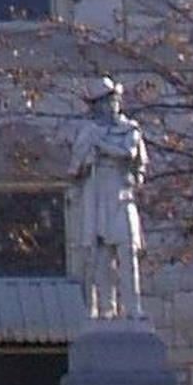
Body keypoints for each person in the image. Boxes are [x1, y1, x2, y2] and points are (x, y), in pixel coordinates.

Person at [69, 76, 148, 319]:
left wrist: (100, 146)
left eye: (112, 100)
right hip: (98, 193)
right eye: (102, 102)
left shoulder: (130, 129)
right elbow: (74, 169)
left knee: (127, 251)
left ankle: (133, 308)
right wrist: (85, 161)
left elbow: (129, 154)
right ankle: (106, 307)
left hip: (122, 194)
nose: (109, 105)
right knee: (102, 254)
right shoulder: (89, 132)